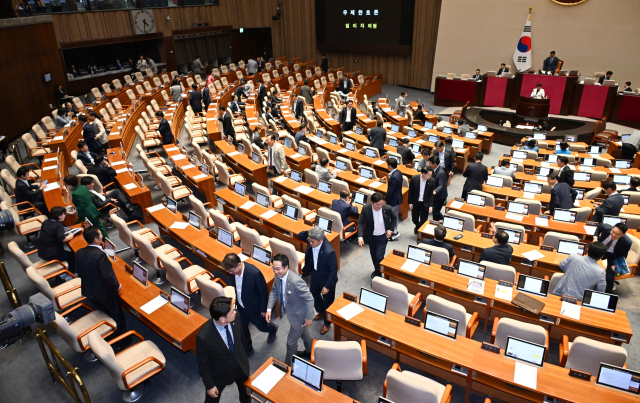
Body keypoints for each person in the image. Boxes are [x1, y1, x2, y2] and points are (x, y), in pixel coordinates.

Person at [75, 227, 127, 344]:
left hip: (88, 290)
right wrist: (116, 285)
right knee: (117, 315)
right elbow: (107, 276)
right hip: (104, 293)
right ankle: (120, 341)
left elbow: (78, 271)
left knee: (102, 312)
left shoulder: (79, 252)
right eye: (100, 235)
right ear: (96, 239)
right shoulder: (100, 255)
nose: (102, 236)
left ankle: (107, 333)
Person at [196, 297, 251, 403]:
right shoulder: (204, 337)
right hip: (219, 374)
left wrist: (244, 358)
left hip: (241, 367)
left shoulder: (237, 317)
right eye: (231, 311)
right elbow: (203, 364)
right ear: (222, 319)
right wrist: (209, 386)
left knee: (245, 394)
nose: (235, 312)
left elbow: (241, 339)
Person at [221, 254, 279, 354]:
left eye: (232, 270)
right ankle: (248, 350)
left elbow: (263, 292)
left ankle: (273, 329)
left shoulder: (254, 273)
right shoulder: (233, 272)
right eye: (229, 271)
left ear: (239, 264)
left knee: (262, 327)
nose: (231, 273)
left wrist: (263, 309)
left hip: (255, 307)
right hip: (241, 306)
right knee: (242, 329)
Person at [265, 254, 315, 365]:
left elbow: (310, 299)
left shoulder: (296, 281)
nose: (275, 271)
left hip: (300, 316)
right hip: (292, 312)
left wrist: (308, 317)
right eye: (274, 268)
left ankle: (288, 367)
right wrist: (269, 309)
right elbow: (274, 291)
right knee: (305, 334)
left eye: (278, 269)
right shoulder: (278, 276)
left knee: (290, 343)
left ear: (286, 267)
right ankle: (311, 352)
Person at [300, 227, 338, 335]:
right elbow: (299, 235)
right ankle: (321, 311)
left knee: (328, 302)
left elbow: (333, 271)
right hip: (316, 273)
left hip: (327, 279)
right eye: (309, 240)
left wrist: (327, 286)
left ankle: (327, 322)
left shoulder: (329, 252)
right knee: (313, 294)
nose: (309, 243)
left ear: (320, 241)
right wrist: (310, 232)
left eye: (312, 242)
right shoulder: (312, 240)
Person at [357, 192, 397, 278]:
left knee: (379, 256)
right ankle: (377, 270)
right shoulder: (366, 208)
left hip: (383, 236)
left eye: (381, 203)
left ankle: (378, 274)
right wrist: (360, 237)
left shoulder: (387, 208)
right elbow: (360, 222)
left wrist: (390, 230)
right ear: (372, 203)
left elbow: (394, 218)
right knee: (373, 255)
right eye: (377, 204)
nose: (380, 206)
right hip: (371, 237)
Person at [64, 175, 108, 239]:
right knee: (100, 227)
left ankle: (106, 242)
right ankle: (106, 241)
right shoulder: (84, 187)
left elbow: (81, 206)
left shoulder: (75, 194)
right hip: (93, 210)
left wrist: (74, 212)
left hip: (87, 214)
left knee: (78, 226)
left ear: (70, 184)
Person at [595, 223, 631, 293]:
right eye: (613, 232)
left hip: (614, 255)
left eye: (617, 234)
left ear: (623, 234)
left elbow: (623, 256)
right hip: (601, 249)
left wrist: (615, 266)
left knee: (609, 277)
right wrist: (595, 238)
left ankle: (607, 294)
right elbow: (599, 226)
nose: (613, 235)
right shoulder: (606, 228)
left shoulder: (627, 242)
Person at [408, 166, 434, 234]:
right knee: (414, 219)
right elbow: (410, 192)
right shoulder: (414, 179)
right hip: (416, 203)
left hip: (425, 203)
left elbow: (431, 194)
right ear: (423, 174)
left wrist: (431, 206)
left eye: (431, 174)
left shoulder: (432, 181)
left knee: (423, 221)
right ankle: (417, 225)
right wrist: (410, 203)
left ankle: (420, 234)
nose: (430, 176)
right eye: (429, 174)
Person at [385, 159, 403, 240]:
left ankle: (393, 232)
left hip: (394, 200)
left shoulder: (395, 177)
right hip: (396, 198)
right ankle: (392, 231)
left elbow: (391, 191)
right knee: (393, 215)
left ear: (390, 166)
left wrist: (385, 199)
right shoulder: (398, 172)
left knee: (393, 216)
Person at [430, 155, 448, 221]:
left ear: (434, 164)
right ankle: (442, 218)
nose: (429, 164)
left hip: (440, 195)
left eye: (430, 163)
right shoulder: (433, 169)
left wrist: (435, 191)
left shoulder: (441, 172)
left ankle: (436, 223)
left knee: (435, 211)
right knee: (435, 210)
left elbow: (441, 185)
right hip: (434, 195)